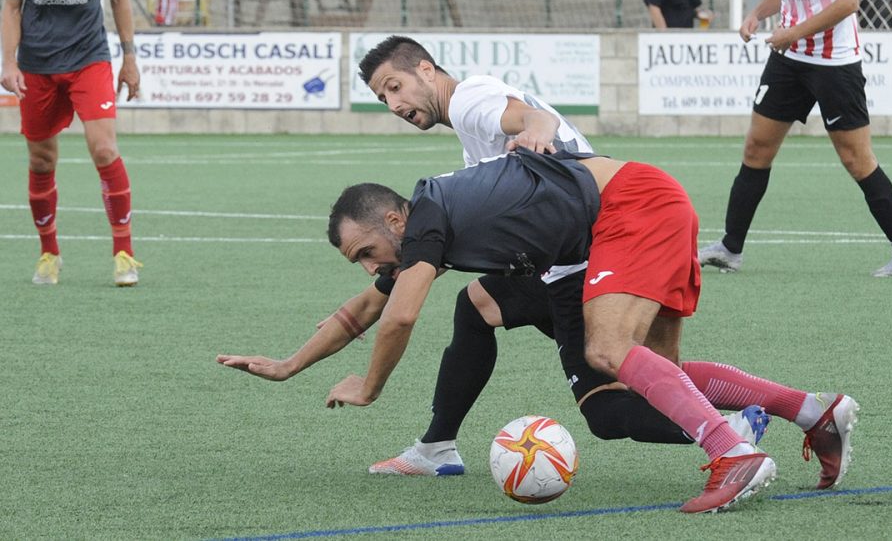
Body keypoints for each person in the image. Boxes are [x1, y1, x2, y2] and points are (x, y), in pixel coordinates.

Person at [219, 35, 768, 479]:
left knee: (609, 401)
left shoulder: (470, 100)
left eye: (395, 87)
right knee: (478, 304)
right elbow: (375, 300)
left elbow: (531, 119)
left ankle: (735, 435)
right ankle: (435, 447)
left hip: (596, 241)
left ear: (427, 70)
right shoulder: (458, 166)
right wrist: (291, 364)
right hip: (576, 244)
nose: (394, 105)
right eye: (382, 99)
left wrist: (536, 135)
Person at [315, 147, 859, 512]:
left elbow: (401, 315)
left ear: (394, 221)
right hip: (637, 209)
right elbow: (376, 302)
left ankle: (734, 453)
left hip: (628, 208)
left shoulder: (440, 181)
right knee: (655, 372)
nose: (370, 266)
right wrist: (290, 365)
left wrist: (368, 386)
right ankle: (813, 411)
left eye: (366, 253)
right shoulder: (433, 219)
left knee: (607, 351)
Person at [698, 0, 892, 278]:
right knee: (757, 148)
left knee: (856, 159)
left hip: (835, 64)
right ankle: (730, 248)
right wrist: (756, 14)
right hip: (789, 58)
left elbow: (848, 2)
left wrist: (792, 32)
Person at [1, 0, 142, 286]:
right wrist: (9, 63)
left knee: (104, 148)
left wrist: (129, 57)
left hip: (89, 59)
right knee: (41, 160)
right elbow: (12, 6)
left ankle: (124, 253)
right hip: (37, 65)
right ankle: (49, 253)